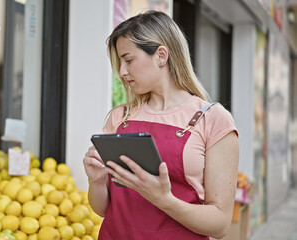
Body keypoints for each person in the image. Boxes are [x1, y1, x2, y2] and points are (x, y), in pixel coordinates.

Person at [83, 10, 239, 239]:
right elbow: (104, 209)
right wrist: (96, 181)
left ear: (161, 56)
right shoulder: (120, 118)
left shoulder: (212, 120)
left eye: (128, 60)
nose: (122, 72)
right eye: (120, 63)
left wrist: (163, 200)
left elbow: (220, 225)